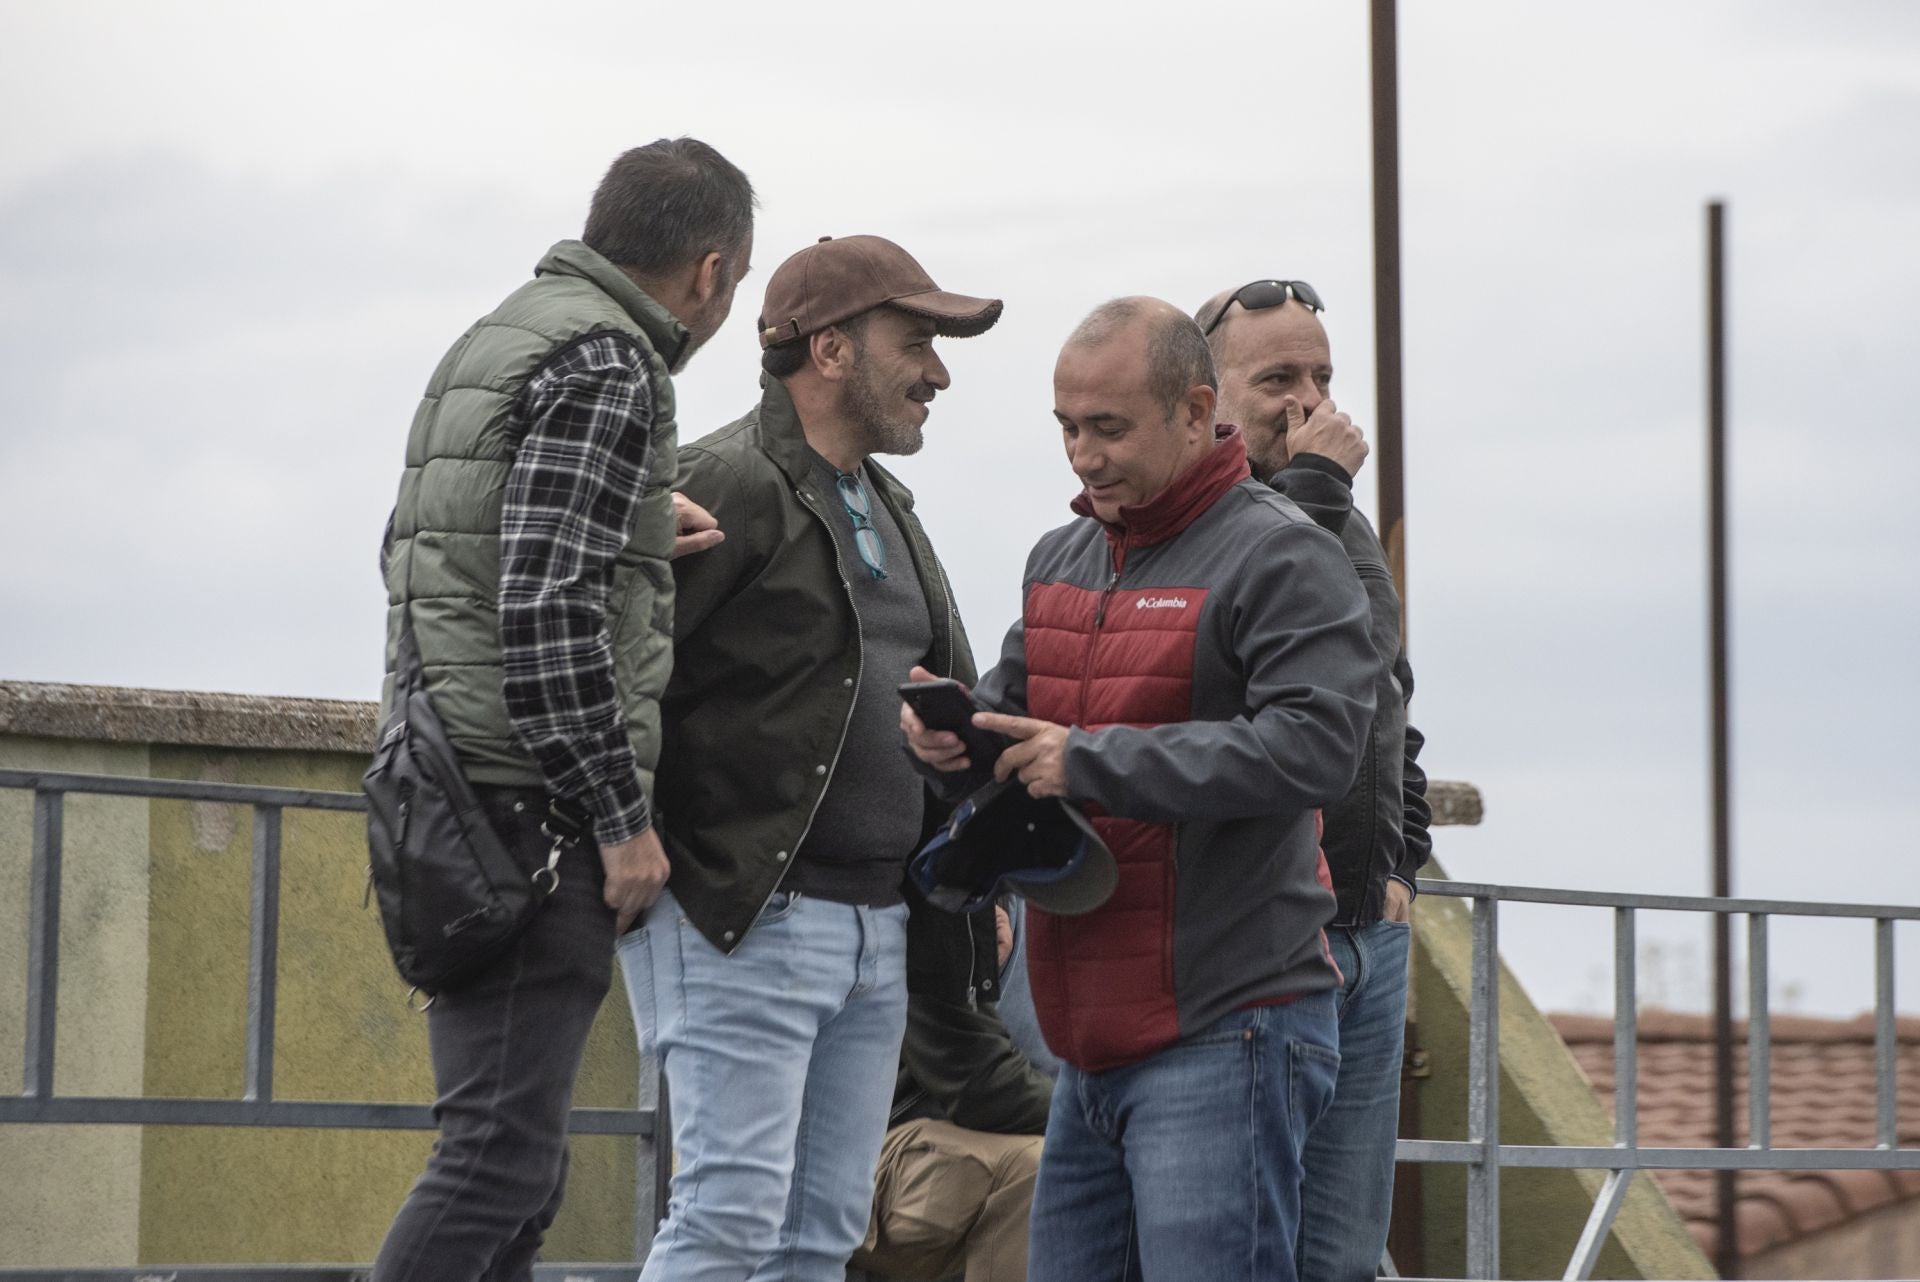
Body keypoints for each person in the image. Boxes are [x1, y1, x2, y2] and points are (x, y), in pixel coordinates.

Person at [906, 297, 1378, 1282]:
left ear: (1196, 409)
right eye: (1068, 427)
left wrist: (1091, 760)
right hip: (1088, 1041)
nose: (1082, 453)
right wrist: (952, 738)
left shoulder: (1285, 551)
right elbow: (1018, 712)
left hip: (1230, 1024)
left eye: (1108, 428)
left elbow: (1318, 747)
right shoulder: (1061, 557)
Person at [368, 137, 755, 1282]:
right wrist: (619, 819)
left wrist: (636, 522)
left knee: (519, 1173)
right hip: (528, 814)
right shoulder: (610, 362)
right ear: (711, 271)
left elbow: (444, 549)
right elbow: (541, 609)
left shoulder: (498, 337)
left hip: (438, 786)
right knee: (497, 1159)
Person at [621, 234, 1004, 1281]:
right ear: (830, 350)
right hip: (743, 917)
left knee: (821, 1234)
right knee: (727, 1220)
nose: (937, 370)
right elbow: (621, 671)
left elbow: (936, 704)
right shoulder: (722, 482)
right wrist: (628, 831)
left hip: (875, 927)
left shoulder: (889, 507)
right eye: (916, 340)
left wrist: (979, 861)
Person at [1197, 279, 1433, 1282]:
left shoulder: (1339, 520)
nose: (1309, 401)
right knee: (1247, 1244)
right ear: (1204, 395)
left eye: (1323, 376)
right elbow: (1215, 677)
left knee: (1340, 1255)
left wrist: (1404, 862)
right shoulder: (1195, 518)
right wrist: (1318, 493)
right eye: (1277, 377)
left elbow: (1389, 704)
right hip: (1261, 937)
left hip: (1364, 934)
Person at [852, 902, 1053, 1282]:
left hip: (998, 1139)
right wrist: (1108, 1120)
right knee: (1047, 1169)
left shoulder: (1126, 908)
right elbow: (982, 1086)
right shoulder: (962, 890)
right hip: (871, 1149)